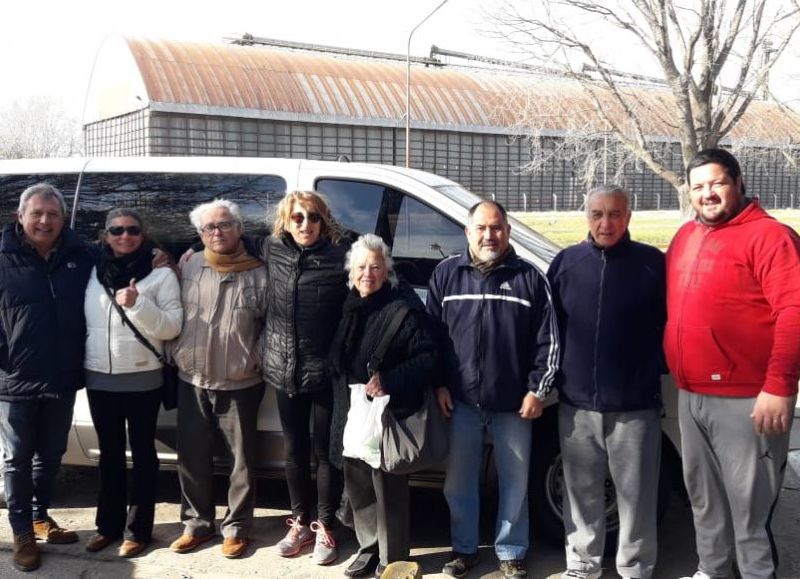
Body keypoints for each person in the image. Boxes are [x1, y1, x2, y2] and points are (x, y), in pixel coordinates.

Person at [665, 148, 800, 579]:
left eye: (717, 183)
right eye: (698, 186)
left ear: (738, 183)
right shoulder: (686, 236)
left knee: (749, 508)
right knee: (704, 498)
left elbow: (794, 312)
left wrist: (779, 385)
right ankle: (712, 569)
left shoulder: (771, 237)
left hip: (746, 398)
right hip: (691, 394)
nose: (707, 194)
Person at [427, 200, 559, 578]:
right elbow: (431, 338)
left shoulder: (530, 278)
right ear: (468, 232)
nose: (489, 235)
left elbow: (548, 341)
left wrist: (538, 390)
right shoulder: (446, 274)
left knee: (514, 483)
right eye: (481, 228)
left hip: (514, 404)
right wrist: (438, 383)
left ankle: (511, 550)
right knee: (459, 481)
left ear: (508, 231)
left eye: (497, 227)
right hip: (461, 401)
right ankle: (464, 549)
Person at [547, 185, 665, 579]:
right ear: (587, 217)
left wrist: (652, 369)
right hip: (577, 404)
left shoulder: (653, 264)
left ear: (628, 217)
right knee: (580, 494)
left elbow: (673, 323)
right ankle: (582, 564)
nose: (606, 222)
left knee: (637, 497)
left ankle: (635, 568)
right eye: (597, 214)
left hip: (635, 405)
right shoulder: (566, 263)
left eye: (615, 214)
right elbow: (550, 330)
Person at [328, 233, 438, 578]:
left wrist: (390, 380)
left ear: (387, 269)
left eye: (375, 266)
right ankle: (368, 547)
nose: (368, 273)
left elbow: (428, 357)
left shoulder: (403, 309)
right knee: (359, 484)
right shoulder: (349, 304)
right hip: (353, 412)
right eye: (361, 267)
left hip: (389, 413)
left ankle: (393, 558)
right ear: (351, 270)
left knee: (386, 486)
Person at [0, 183, 96, 571]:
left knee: (52, 454)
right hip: (15, 379)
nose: (45, 220)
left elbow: (121, 263)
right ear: (20, 216)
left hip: (61, 376)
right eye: (36, 213)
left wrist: (160, 259)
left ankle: (41, 515)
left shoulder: (80, 255)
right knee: (17, 458)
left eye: (53, 214)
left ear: (62, 219)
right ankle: (21, 529)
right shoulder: (3, 257)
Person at [168, 199, 267, 560]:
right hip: (191, 378)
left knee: (242, 461)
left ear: (239, 228)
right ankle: (196, 523)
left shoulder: (261, 270)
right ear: (199, 234)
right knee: (191, 457)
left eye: (225, 225)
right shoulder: (190, 264)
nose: (217, 232)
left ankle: (237, 527)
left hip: (240, 381)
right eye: (209, 228)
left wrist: (253, 358)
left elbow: (272, 325)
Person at [82, 209, 183, 558]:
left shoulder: (160, 273)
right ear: (105, 235)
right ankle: (106, 527)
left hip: (142, 378)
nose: (125, 236)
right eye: (117, 230)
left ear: (143, 234)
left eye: (133, 230)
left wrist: (139, 305)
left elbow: (171, 326)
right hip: (99, 378)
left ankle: (137, 530)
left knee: (142, 455)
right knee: (109, 456)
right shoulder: (91, 270)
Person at [258, 191, 349, 565]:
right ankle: (299, 521)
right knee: (293, 451)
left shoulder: (340, 257)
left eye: (313, 217)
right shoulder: (270, 249)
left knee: (326, 454)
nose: (306, 225)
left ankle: (325, 526)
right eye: (297, 218)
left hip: (326, 372)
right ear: (285, 220)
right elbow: (225, 245)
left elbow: (374, 279)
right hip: (284, 368)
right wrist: (180, 255)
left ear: (324, 220)